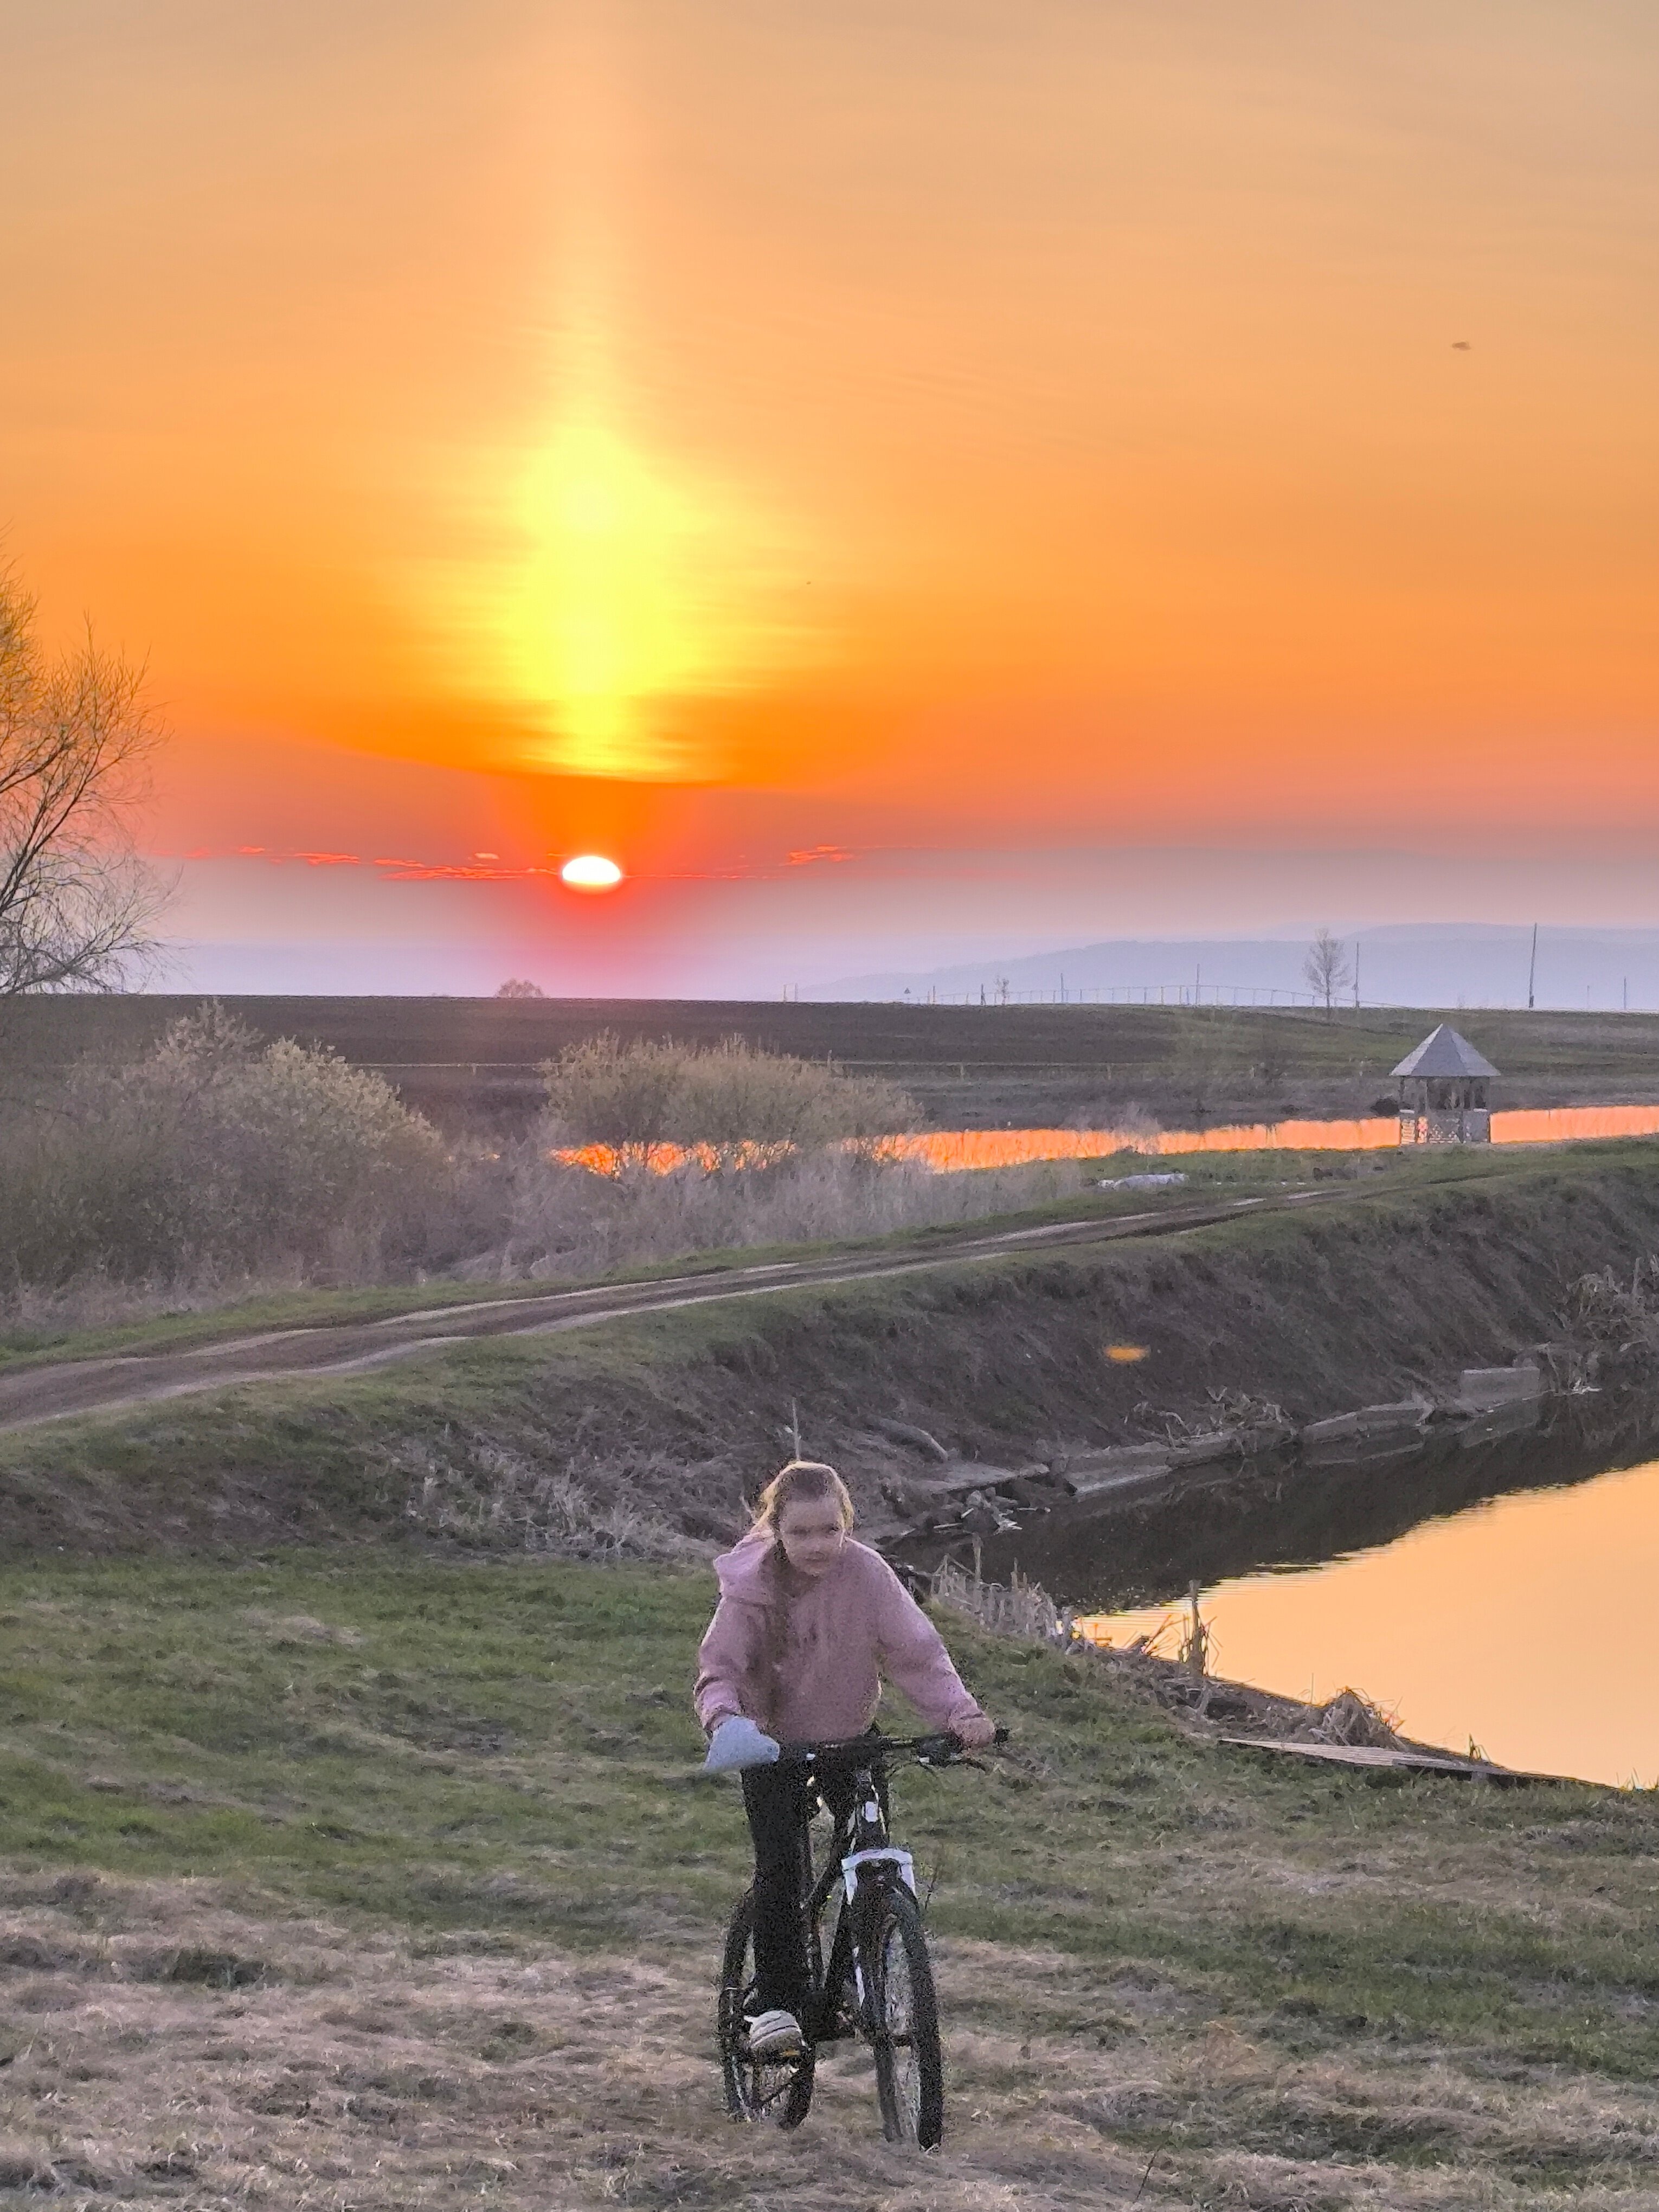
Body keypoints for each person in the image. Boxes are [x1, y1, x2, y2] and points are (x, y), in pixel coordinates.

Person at [695, 1458, 996, 2059]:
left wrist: (959, 1715)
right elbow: (717, 1673)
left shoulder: (868, 1575)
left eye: (830, 1530)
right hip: (772, 1745)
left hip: (852, 1734)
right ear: (776, 1530)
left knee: (870, 1850)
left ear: (848, 1525)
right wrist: (727, 1723)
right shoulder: (751, 1587)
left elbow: (917, 1653)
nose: (818, 1545)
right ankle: (778, 2005)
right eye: (801, 1532)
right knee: (782, 1869)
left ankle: (872, 1968)